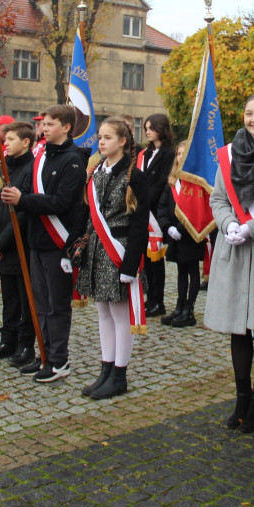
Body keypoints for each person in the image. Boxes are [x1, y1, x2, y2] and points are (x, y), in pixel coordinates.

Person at [204, 93, 254, 433]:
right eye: (250, 113)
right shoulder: (229, 154)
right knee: (237, 327)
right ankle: (241, 398)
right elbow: (218, 198)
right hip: (233, 249)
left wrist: (250, 227)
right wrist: (228, 224)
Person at [0, 105, 88, 378]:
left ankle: (59, 360)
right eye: (43, 124)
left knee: (56, 306)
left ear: (66, 128)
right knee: (40, 304)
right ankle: (45, 356)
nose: (44, 128)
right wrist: (18, 194)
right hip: (36, 241)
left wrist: (23, 200)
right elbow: (28, 190)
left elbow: (62, 201)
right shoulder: (40, 156)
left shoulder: (74, 160)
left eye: (50, 124)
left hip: (58, 243)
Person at [74, 115, 149, 399]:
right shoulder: (95, 173)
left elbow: (140, 224)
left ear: (122, 141)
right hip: (97, 250)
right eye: (100, 138)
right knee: (103, 312)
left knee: (120, 315)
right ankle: (105, 370)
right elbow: (86, 215)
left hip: (119, 249)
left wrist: (131, 265)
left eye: (107, 138)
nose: (101, 143)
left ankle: (119, 375)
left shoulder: (134, 176)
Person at [0, 121, 35, 362]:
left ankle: (25, 345)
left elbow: (23, 213)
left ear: (26, 142)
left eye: (11, 139)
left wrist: (1, 244)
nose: (6, 143)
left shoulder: (32, 168)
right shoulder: (2, 169)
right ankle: (7, 340)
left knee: (25, 299)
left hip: (20, 245)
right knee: (9, 298)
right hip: (1, 245)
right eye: (5, 139)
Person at [155, 141, 206, 328]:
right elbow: (162, 207)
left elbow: (197, 211)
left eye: (184, 153)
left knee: (192, 270)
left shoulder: (196, 182)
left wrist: (181, 228)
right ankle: (179, 306)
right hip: (174, 235)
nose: (180, 157)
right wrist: (167, 227)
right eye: (178, 153)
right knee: (180, 271)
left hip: (191, 234)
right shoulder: (172, 181)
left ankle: (189, 310)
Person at [138, 114, 175, 317]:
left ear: (161, 128)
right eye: (146, 128)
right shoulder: (146, 153)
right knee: (145, 258)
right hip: (143, 212)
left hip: (155, 211)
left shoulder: (168, 154)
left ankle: (157, 301)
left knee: (155, 260)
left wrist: (143, 201)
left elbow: (161, 183)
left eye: (151, 127)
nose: (148, 131)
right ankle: (149, 298)